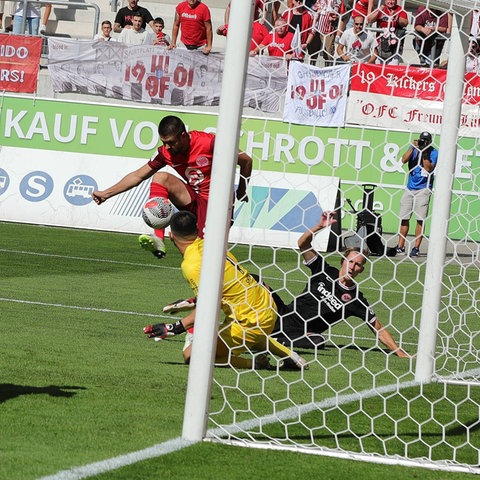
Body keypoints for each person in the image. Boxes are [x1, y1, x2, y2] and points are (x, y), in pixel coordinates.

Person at [143, 211, 308, 370]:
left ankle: (257, 364)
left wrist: (175, 327)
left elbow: (209, 306)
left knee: (191, 357)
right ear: (198, 230)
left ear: (171, 235)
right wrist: (190, 302)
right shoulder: (211, 245)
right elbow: (221, 288)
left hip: (249, 320)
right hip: (266, 305)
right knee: (247, 333)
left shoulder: (192, 265)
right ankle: (291, 356)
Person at [92, 115, 252, 259]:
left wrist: (242, 190)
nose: (167, 147)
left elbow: (246, 161)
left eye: (171, 143)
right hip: (194, 199)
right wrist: (106, 194)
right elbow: (138, 175)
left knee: (206, 257)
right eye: (163, 143)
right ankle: (158, 239)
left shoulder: (209, 143)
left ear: (183, 136)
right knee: (161, 177)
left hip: (218, 206)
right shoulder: (165, 153)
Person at [272, 211, 411, 357]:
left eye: (357, 265)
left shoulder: (355, 299)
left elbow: (378, 328)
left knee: (318, 341)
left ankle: (274, 339)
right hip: (283, 314)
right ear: (342, 262)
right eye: (350, 262)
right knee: (258, 281)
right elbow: (303, 243)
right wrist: (319, 226)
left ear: (361, 270)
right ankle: (273, 336)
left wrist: (399, 352)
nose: (352, 267)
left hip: (300, 332)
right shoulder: (323, 270)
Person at [395, 132, 438, 258]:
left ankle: (416, 248)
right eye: (422, 140)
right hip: (410, 188)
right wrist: (413, 147)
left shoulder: (433, 152)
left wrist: (424, 153)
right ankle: (400, 246)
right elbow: (403, 160)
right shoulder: (414, 148)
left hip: (424, 189)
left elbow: (429, 168)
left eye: (426, 141)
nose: (423, 142)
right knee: (404, 217)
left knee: (420, 219)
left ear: (430, 142)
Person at [367, 0, 408, 65]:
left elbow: (405, 23)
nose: (390, 2)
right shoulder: (382, 9)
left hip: (394, 46)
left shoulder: (400, 9)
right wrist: (378, 10)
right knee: (379, 68)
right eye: (388, 0)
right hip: (380, 45)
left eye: (393, 0)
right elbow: (369, 20)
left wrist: (396, 16)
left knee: (391, 70)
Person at [306, 0, 346, 66]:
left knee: (328, 54)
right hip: (316, 30)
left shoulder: (337, 1)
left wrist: (334, 17)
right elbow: (314, 9)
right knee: (313, 52)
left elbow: (340, 15)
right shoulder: (319, 1)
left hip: (329, 32)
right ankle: (311, 68)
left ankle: (327, 70)